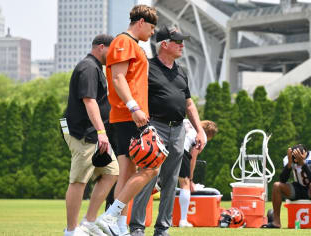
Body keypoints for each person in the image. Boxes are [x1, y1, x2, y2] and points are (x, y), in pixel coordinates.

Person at [129, 25, 205, 236]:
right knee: (149, 176)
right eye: (178, 41)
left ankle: (162, 228)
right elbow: (134, 94)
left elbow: (189, 104)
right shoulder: (147, 67)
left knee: (171, 181)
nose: (182, 45)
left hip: (178, 129)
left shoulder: (181, 72)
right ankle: (136, 227)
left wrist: (200, 131)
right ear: (164, 44)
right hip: (155, 127)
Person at [94, 5, 158, 236]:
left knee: (128, 173)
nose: (152, 33)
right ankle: (110, 216)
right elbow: (118, 77)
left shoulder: (134, 45)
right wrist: (134, 107)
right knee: (152, 167)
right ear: (140, 22)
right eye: (151, 27)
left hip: (128, 115)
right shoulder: (124, 42)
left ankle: (119, 227)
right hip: (128, 115)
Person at [61, 34, 119, 236]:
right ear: (101, 47)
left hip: (94, 133)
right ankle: (71, 231)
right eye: (111, 51)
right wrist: (102, 132)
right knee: (79, 180)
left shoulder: (97, 68)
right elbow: (89, 101)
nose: (113, 56)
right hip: (82, 132)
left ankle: (89, 222)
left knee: (112, 172)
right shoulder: (88, 67)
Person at [262, 144, 311, 229]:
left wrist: (303, 163)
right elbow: (282, 180)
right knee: (277, 185)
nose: (296, 159)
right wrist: (289, 164)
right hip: (299, 187)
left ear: (305, 153)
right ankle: (276, 222)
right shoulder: (289, 158)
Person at [177, 119, 218, 227]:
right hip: (182, 151)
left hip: (166, 146)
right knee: (185, 184)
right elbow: (193, 156)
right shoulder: (202, 136)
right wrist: (190, 179)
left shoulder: (187, 121)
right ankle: (183, 220)